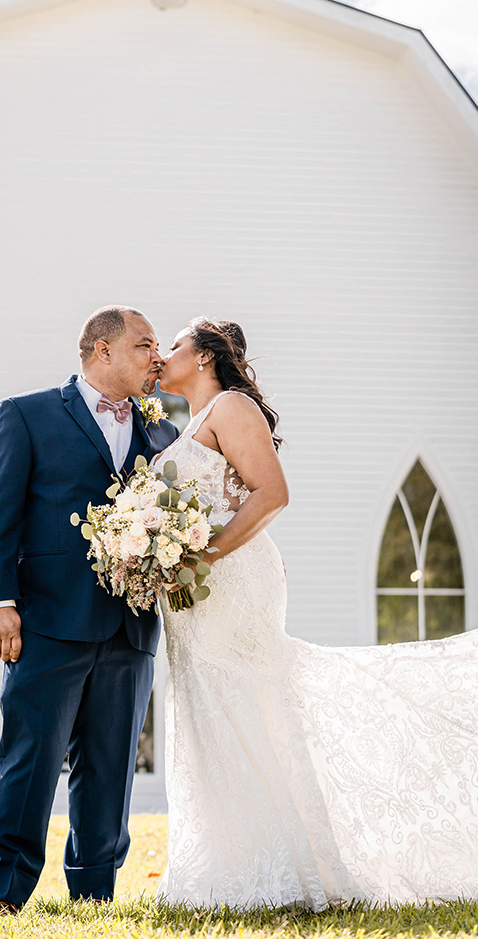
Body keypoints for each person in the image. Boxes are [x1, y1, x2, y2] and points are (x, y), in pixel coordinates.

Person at [154, 316, 478, 909]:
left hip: (227, 580)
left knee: (247, 704)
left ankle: (289, 869)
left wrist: (199, 557)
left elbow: (272, 494)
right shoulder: (191, 421)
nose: (162, 354)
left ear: (203, 356)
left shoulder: (230, 407)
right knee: (211, 710)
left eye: (172, 344)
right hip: (194, 594)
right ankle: (231, 868)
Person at [0, 305, 178, 913]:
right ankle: (4, 893)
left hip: (130, 624)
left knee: (110, 768)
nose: (156, 358)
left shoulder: (163, 434)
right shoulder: (26, 416)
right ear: (101, 350)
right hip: (47, 621)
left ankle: (94, 892)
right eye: (144, 345)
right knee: (30, 759)